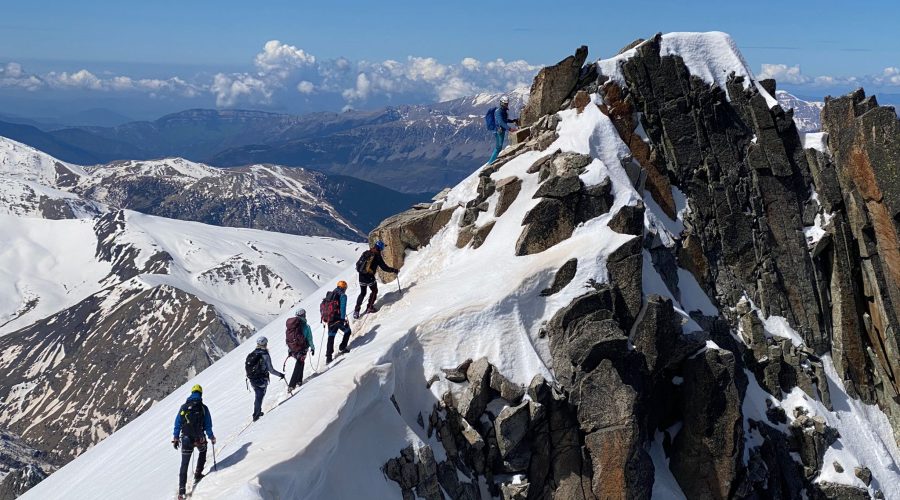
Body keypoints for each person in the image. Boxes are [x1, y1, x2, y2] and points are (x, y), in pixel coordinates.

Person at [172, 384, 215, 499]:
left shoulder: (184, 407)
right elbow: (208, 426)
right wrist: (211, 437)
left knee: (184, 465)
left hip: (186, 439)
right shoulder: (203, 408)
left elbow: (177, 423)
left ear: (191, 393)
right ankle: (198, 472)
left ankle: (181, 492)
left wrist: (176, 438)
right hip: (199, 439)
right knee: (203, 450)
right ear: (200, 394)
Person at [353, 239, 399, 319]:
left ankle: (356, 311)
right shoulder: (377, 256)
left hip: (361, 276)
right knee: (374, 291)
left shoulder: (366, 252)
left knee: (362, 293)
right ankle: (369, 307)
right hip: (369, 277)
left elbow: (359, 264)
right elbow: (384, 268)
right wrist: (394, 270)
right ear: (380, 248)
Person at [246, 336, 284, 421]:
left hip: (252, 379)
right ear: (265, 344)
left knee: (257, 396)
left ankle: (257, 412)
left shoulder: (253, 353)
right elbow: (271, 370)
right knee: (259, 396)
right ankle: (256, 415)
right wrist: (280, 375)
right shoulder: (265, 355)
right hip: (261, 379)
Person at [285, 308, 315, 392]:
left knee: (300, 362)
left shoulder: (291, 326)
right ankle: (292, 385)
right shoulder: (306, 326)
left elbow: (288, 338)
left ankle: (299, 381)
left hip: (293, 349)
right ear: (304, 315)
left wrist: (290, 350)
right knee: (299, 363)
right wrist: (312, 348)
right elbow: (309, 339)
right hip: (302, 348)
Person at [324, 281, 351, 363]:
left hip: (330, 319)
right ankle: (342, 347)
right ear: (344, 288)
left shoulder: (330, 294)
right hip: (338, 319)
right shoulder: (342, 295)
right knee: (348, 331)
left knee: (331, 337)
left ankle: (328, 358)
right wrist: (342, 320)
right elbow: (343, 308)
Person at [488, 95, 519, 164]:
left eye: (507, 104)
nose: (506, 105)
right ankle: (490, 163)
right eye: (505, 104)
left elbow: (504, 120)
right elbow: (501, 122)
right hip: (498, 131)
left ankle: (492, 162)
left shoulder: (503, 111)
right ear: (501, 103)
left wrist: (512, 121)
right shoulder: (498, 111)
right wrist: (510, 129)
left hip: (501, 130)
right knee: (498, 147)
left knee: (499, 147)